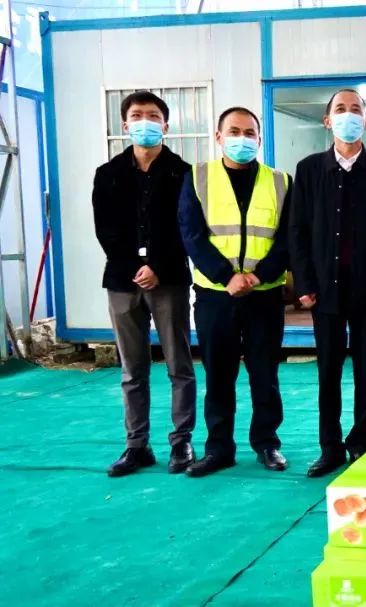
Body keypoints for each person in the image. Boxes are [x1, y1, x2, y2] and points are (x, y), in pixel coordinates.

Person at [290, 89, 366, 478]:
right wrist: (303, 283)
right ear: (327, 121)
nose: (348, 115)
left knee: (365, 369)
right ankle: (330, 448)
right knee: (328, 371)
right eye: (340, 109)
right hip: (323, 288)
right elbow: (297, 230)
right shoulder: (309, 170)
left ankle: (361, 445)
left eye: (356, 109)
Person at [178, 107, 291, 477]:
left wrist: (258, 276)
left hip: (265, 294)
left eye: (249, 132)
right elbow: (191, 234)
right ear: (219, 136)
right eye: (234, 131)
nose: (242, 139)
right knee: (218, 375)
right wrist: (227, 276)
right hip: (215, 294)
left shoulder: (280, 181)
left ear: (260, 138)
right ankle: (218, 449)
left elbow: (289, 237)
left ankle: (267, 443)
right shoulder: (198, 177)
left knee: (265, 373)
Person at [92, 91, 197, 477]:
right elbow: (105, 228)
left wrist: (158, 266)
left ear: (166, 125)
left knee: (178, 363)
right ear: (125, 124)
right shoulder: (108, 174)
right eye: (137, 115)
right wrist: (136, 266)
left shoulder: (184, 173)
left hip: (168, 281)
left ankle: (181, 441)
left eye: (153, 116)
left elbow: (187, 227)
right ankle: (137, 445)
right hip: (123, 281)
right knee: (132, 368)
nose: (145, 122)